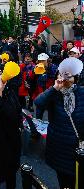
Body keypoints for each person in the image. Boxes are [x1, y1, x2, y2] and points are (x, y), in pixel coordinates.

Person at [34, 57, 84, 189]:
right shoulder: (53, 94)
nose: (66, 78)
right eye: (62, 74)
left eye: (70, 75)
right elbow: (38, 103)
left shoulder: (81, 92)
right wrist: (54, 88)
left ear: (75, 78)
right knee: (64, 182)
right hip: (59, 147)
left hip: (78, 147)